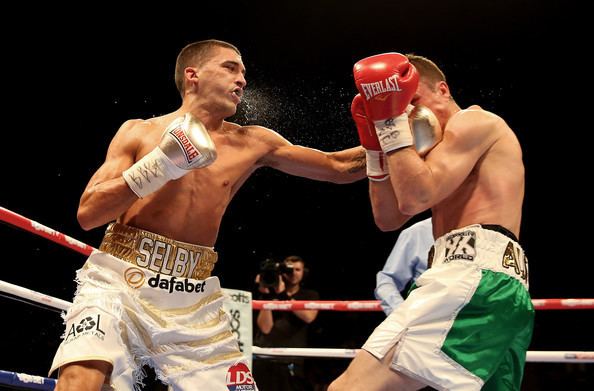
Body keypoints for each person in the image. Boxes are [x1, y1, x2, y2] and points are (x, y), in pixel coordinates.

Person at [49, 39, 366, 391]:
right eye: (231, 68)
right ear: (192, 75)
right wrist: (159, 165)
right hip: (120, 280)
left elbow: (339, 167)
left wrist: (394, 134)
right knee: (81, 379)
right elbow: (89, 213)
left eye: (244, 72)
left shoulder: (253, 141)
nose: (242, 80)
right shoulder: (138, 131)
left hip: (193, 293)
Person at [329, 53, 533, 391]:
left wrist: (388, 122)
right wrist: (375, 150)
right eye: (398, 107)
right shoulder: (434, 154)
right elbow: (388, 217)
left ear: (443, 89)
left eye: (414, 102)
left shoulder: (474, 122)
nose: (409, 115)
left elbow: (415, 198)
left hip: (473, 279)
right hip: (495, 286)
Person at [253, 255, 319, 391]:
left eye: (297, 269)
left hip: (290, 362)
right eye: (290, 269)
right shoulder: (271, 294)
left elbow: (309, 317)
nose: (293, 273)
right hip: (263, 359)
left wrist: (284, 295)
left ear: (303, 272)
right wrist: (266, 295)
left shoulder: (309, 295)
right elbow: (265, 328)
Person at [375, 217, 433, 316]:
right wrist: (402, 314)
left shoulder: (469, 231)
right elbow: (387, 280)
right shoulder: (417, 233)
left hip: (466, 317)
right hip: (426, 320)